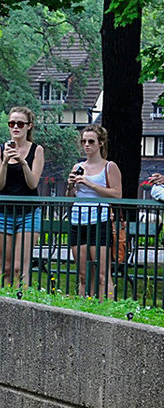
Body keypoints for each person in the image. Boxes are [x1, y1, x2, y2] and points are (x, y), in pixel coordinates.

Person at [0, 106, 44, 288]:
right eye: (12, 123)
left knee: (19, 268)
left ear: (29, 126)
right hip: (3, 212)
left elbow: (32, 183)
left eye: (20, 124)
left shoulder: (37, 150)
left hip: (28, 212)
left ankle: (23, 304)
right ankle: (1, 304)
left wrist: (22, 162)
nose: (16, 127)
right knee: (4, 267)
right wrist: (5, 162)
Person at [67, 125, 122, 299]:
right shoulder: (78, 166)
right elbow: (70, 197)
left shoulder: (109, 166)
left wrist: (89, 183)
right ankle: (85, 310)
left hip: (100, 221)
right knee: (83, 275)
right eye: (83, 141)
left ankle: (108, 312)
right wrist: (71, 186)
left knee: (102, 275)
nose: (86, 145)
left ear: (100, 143)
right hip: (78, 221)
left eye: (91, 141)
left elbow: (117, 194)